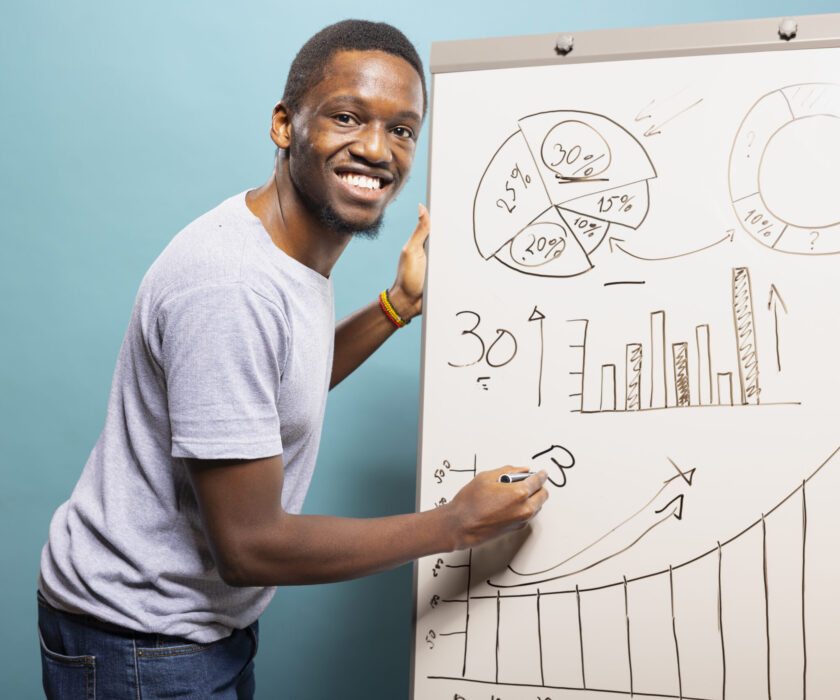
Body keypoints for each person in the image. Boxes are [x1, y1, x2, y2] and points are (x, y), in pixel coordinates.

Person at [37, 19, 549, 699]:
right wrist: (452, 525)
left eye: (402, 129)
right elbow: (251, 546)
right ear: (285, 125)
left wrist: (397, 304)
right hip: (141, 641)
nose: (377, 148)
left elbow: (275, 387)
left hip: (186, 629)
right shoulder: (233, 285)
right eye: (347, 116)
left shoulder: (285, 248)